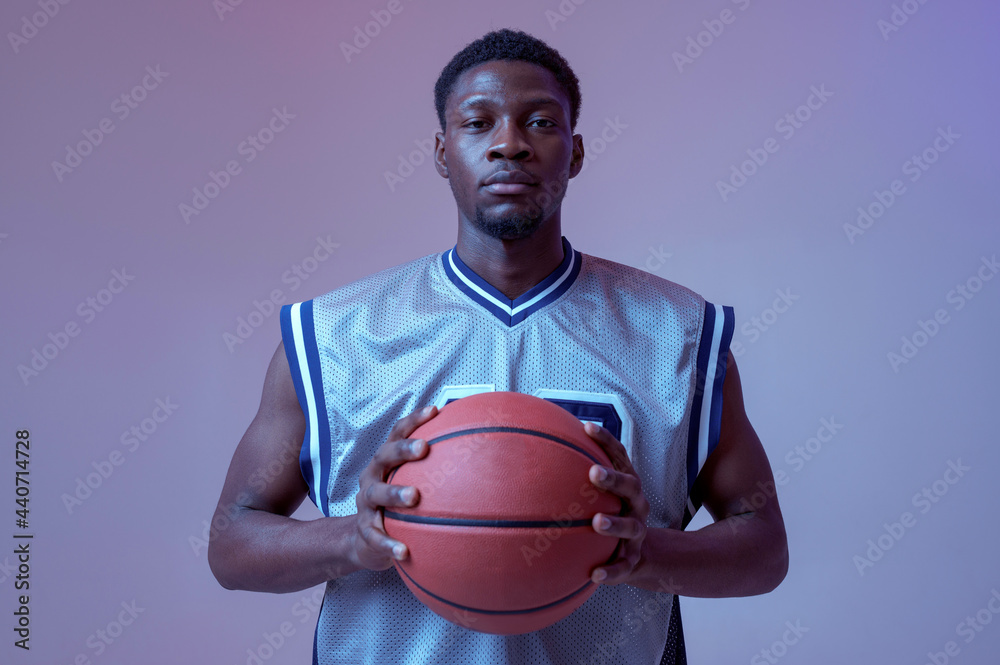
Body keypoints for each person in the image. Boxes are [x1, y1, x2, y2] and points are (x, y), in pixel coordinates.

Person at [208, 28, 788, 665]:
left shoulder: (678, 333)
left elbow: (762, 547)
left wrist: (641, 552)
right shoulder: (336, 335)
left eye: (540, 122)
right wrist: (355, 538)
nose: (509, 144)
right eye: (477, 123)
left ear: (575, 152)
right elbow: (232, 544)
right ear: (441, 151)